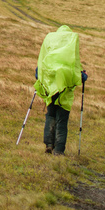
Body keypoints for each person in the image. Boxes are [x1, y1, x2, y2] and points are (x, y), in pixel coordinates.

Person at [34, 25, 82, 155]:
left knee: (50, 115)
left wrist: (40, 76)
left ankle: (49, 144)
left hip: (50, 88)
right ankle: (59, 150)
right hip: (64, 90)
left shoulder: (50, 40)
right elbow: (76, 68)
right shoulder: (71, 43)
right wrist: (82, 76)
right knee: (62, 119)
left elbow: (41, 63)